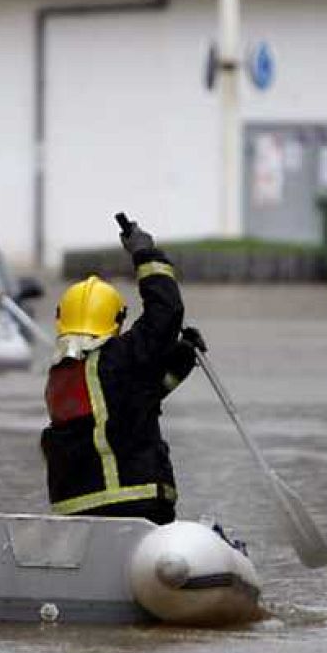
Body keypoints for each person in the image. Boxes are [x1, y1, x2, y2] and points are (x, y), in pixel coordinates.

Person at [40, 214, 206, 525]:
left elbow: (133, 406)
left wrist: (179, 361)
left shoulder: (61, 373)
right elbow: (166, 312)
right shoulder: (121, 355)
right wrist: (146, 254)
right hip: (135, 502)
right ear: (115, 319)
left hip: (75, 510)